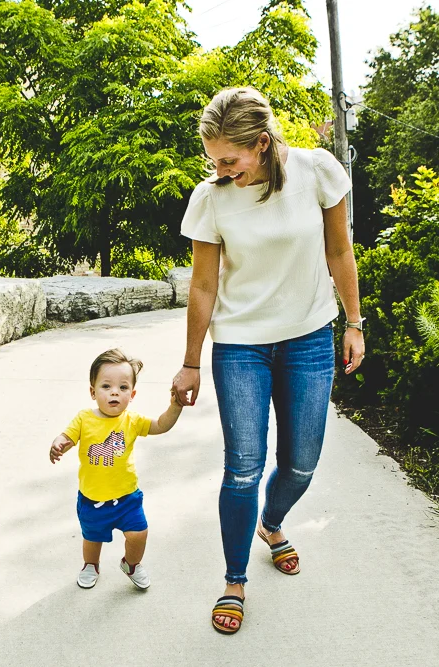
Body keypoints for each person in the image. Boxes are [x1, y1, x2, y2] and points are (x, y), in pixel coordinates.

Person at [171, 87, 365, 635]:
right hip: (240, 346)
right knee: (243, 467)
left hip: (307, 338)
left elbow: (339, 251)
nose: (220, 169)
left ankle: (272, 522)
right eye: (213, 160)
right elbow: (204, 286)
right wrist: (189, 361)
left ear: (261, 143)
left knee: (301, 462)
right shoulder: (210, 198)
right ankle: (234, 580)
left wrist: (354, 323)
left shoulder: (317, 171)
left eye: (229, 160)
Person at [50, 348, 183, 590]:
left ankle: (131, 564)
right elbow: (68, 437)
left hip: (127, 497)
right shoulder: (84, 418)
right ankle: (91, 564)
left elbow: (161, 425)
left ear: (132, 394)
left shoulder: (132, 421)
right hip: (93, 499)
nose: (114, 392)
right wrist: (59, 443)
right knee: (92, 538)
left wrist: (175, 406)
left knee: (139, 534)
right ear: (93, 392)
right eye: (106, 386)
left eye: (123, 388)